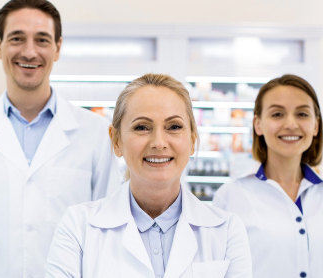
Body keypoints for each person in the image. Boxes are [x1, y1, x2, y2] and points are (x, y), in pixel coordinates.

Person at [0, 0, 121, 277]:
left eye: (42, 40)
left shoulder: (96, 134)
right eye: (17, 38)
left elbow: (107, 239)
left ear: (57, 48)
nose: (29, 52)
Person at [45, 73, 252, 278]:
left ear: (192, 140)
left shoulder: (227, 231)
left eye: (174, 127)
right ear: (116, 141)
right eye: (142, 127)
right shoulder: (78, 228)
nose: (159, 142)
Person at [212, 74, 323, 278]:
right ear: (258, 124)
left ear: (315, 126)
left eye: (302, 114)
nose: (291, 124)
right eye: (277, 114)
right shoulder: (230, 197)